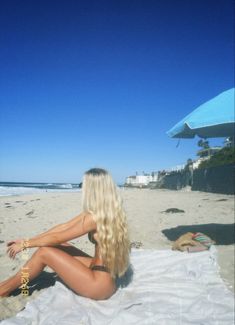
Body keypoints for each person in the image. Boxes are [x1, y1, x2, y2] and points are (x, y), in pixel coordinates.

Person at [0, 168, 131, 300]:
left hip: (99, 285)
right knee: (60, 245)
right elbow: (64, 227)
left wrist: (26, 245)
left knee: (44, 252)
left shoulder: (95, 217)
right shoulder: (104, 211)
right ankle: (7, 284)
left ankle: (4, 289)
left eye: (85, 184)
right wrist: (26, 241)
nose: (82, 187)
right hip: (102, 272)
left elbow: (57, 237)